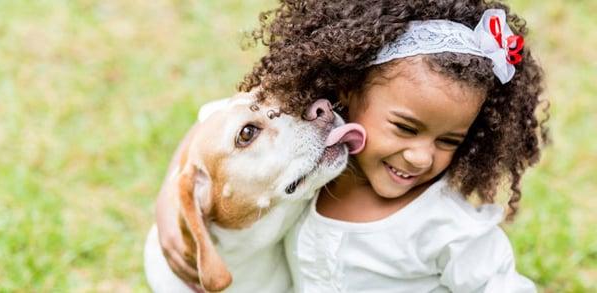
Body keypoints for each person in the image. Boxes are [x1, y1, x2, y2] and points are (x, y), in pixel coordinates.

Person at [157, 0, 548, 292]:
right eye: (404, 127)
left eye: (449, 141)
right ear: (346, 89)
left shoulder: (446, 227)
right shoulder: (313, 143)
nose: (420, 155)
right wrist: (175, 199)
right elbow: (217, 123)